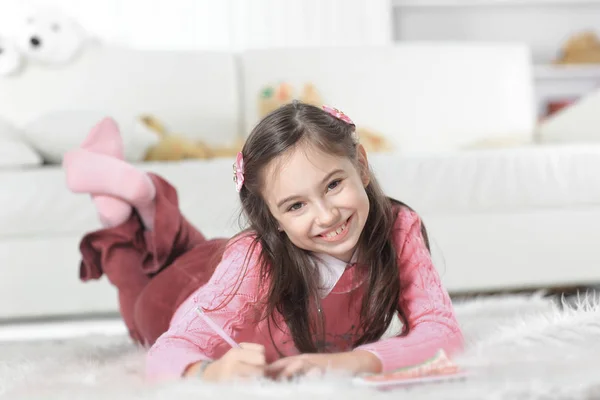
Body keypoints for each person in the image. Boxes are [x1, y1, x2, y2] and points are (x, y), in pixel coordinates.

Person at [63, 102, 464, 383]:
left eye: (334, 184)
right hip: (177, 297)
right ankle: (122, 212)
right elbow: (169, 350)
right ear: (271, 216)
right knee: (136, 289)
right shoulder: (253, 259)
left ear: (360, 164)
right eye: (295, 205)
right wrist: (209, 372)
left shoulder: (398, 227)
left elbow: (442, 332)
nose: (327, 216)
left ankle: (149, 199)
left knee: (194, 250)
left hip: (220, 264)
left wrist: (350, 363)